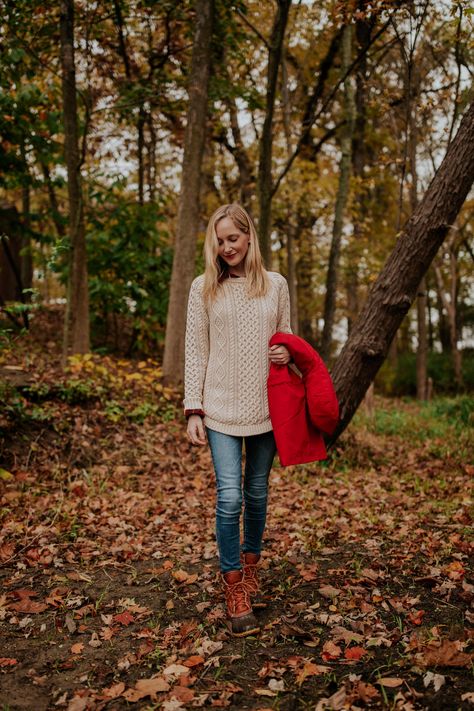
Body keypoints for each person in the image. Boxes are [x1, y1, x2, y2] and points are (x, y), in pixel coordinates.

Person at [183, 203, 292, 636]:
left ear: (250, 238)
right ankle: (233, 586)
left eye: (234, 238)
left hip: (266, 406)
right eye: (220, 240)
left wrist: (285, 352)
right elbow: (196, 349)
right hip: (220, 408)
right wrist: (194, 407)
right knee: (230, 498)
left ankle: (251, 568)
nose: (227, 247)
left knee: (258, 492)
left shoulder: (276, 285)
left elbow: (286, 339)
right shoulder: (202, 288)